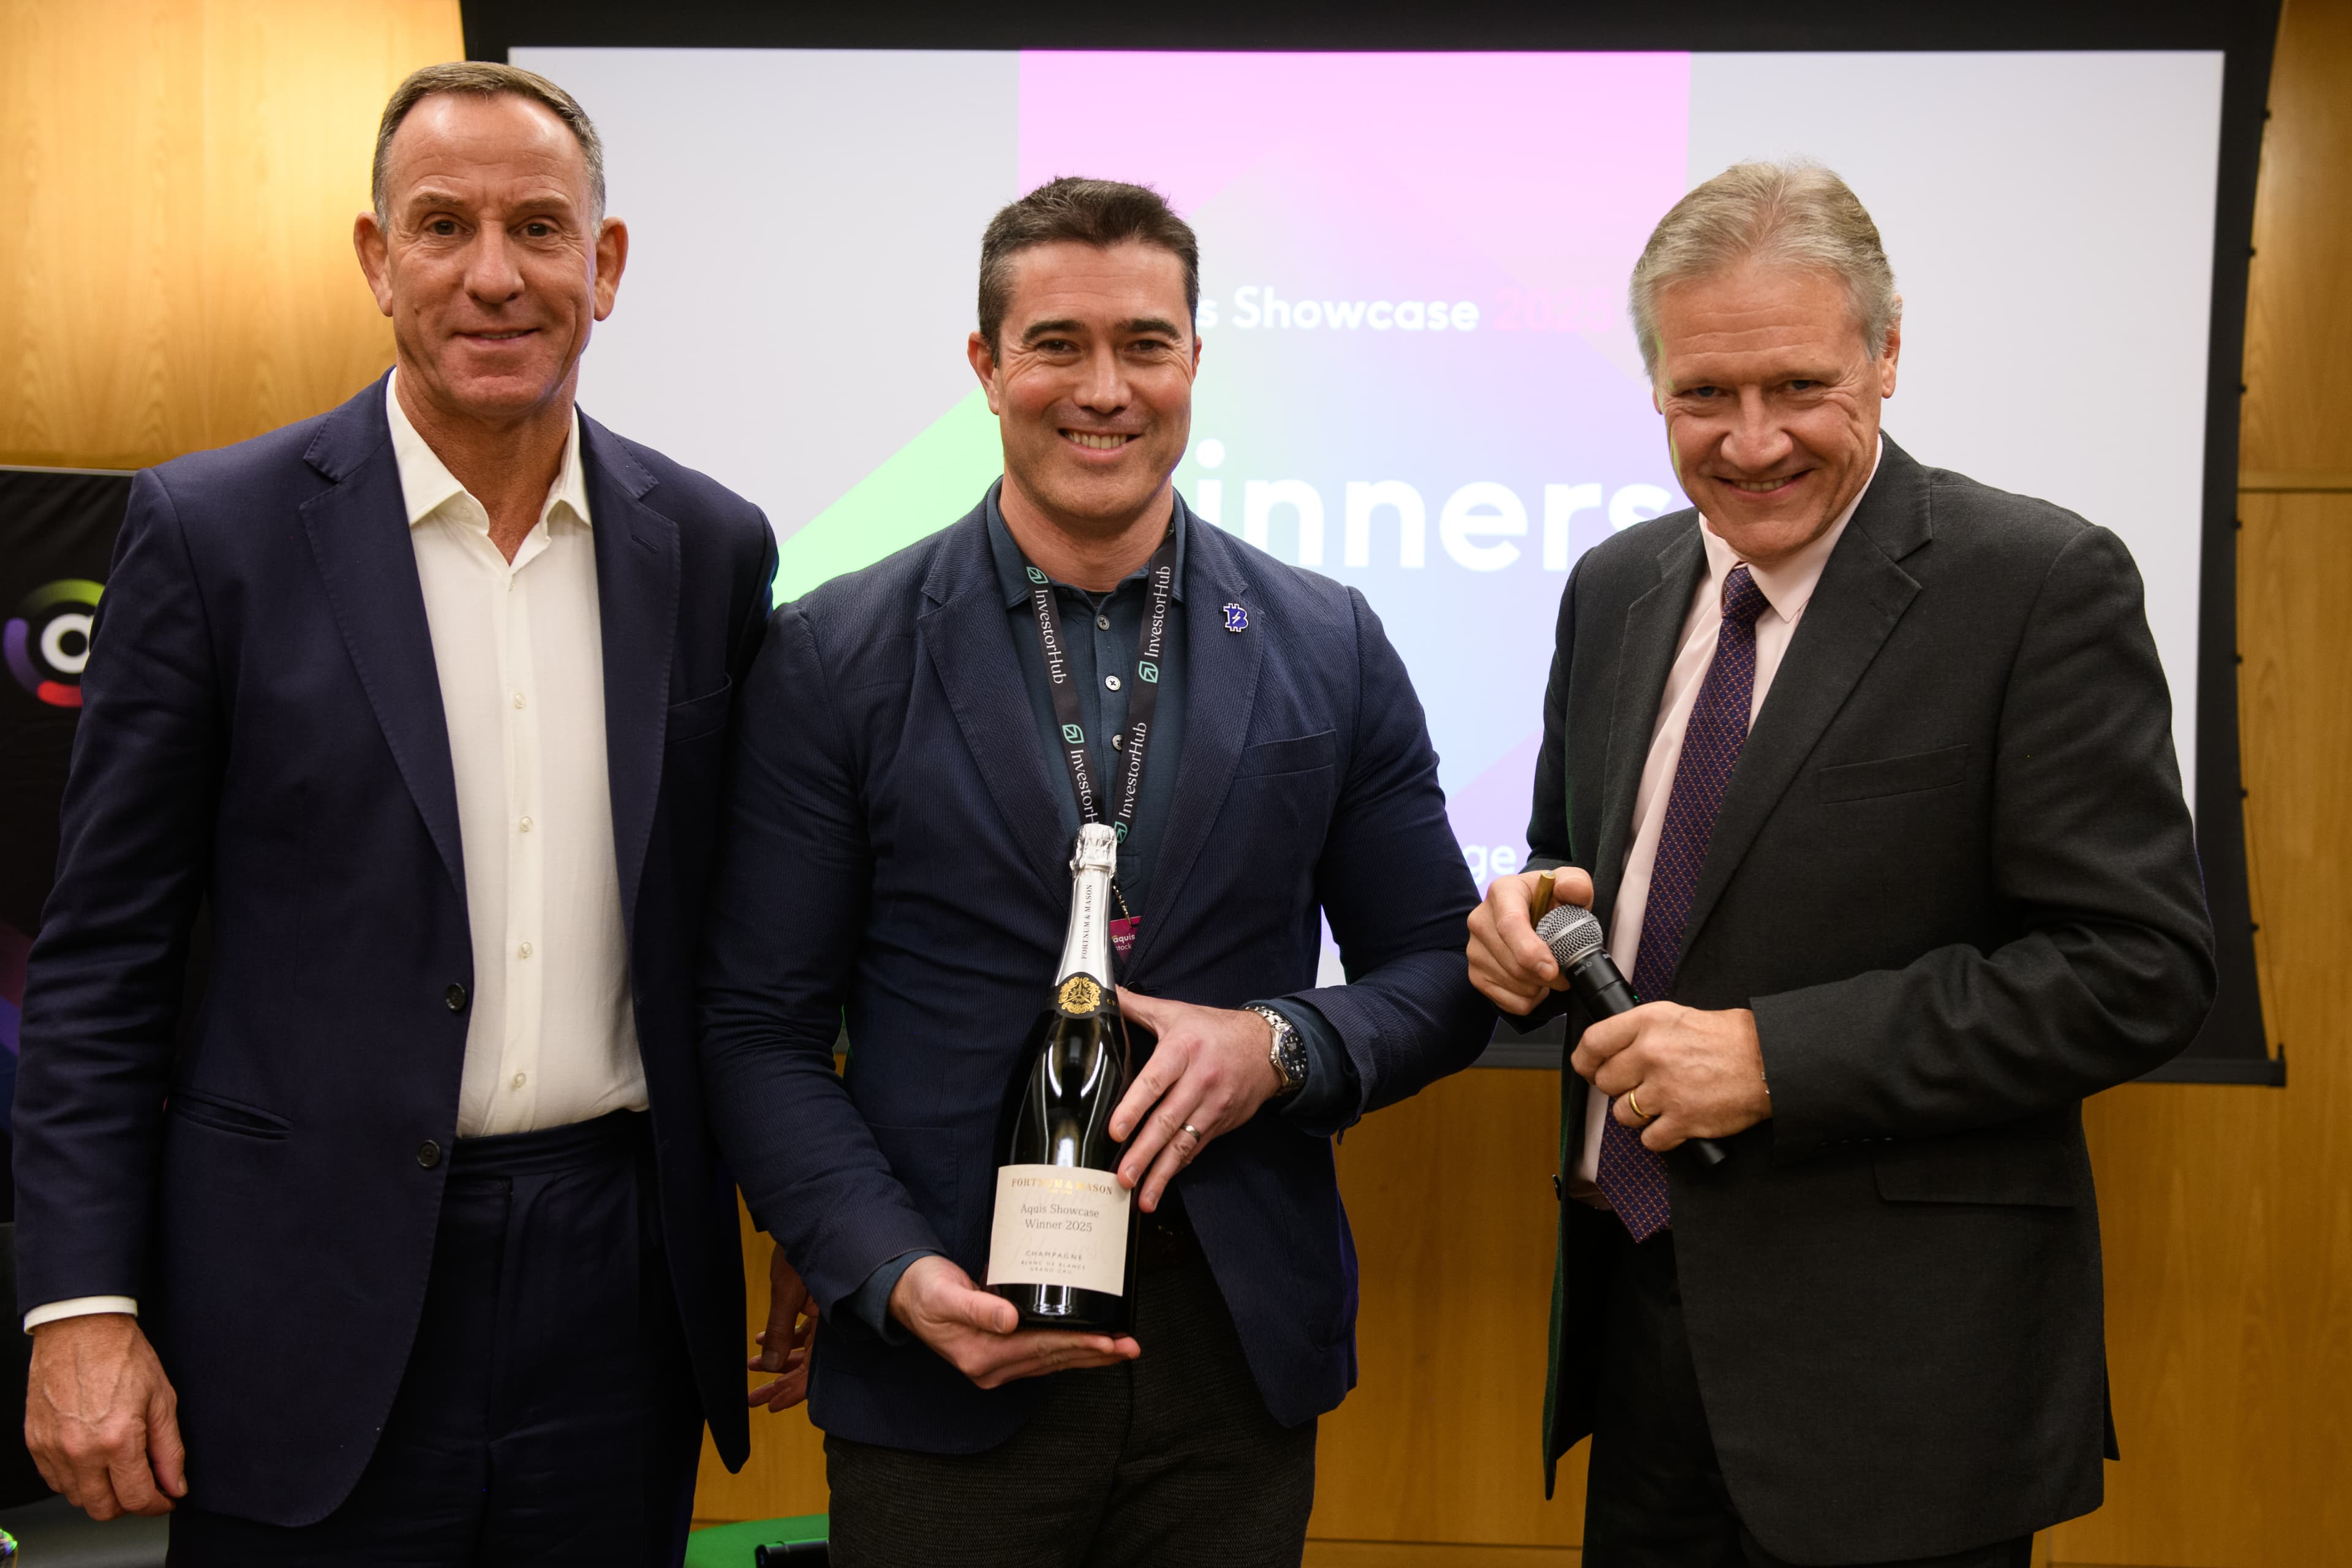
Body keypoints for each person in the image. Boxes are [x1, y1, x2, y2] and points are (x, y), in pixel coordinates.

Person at [12, 62, 776, 1563]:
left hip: (618, 1293)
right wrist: (81, 1303)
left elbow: (743, 933)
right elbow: (102, 959)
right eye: (442, 226)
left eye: (539, 227)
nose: (494, 275)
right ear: (377, 258)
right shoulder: (213, 535)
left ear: (605, 265)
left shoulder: (709, 546)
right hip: (295, 1293)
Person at [698, 176, 1494, 1567]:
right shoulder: (832, 655)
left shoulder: (1331, 642)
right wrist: (885, 1270)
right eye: (1057, 344)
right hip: (948, 1352)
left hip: (1233, 1358)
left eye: (1145, 344)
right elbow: (758, 1027)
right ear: (986, 364)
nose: (1105, 390)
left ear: (1195, 360)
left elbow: (1439, 968)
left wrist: (1282, 1046)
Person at [1465, 162, 2215, 1568]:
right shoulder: (1617, 586)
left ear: (1886, 354)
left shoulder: (2038, 582)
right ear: (1655, 384)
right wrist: (1532, 914)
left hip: (1899, 1386)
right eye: (1705, 393)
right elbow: (1583, 859)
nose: (1751, 441)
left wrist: (1776, 1057)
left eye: (1799, 386)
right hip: (1642, 1336)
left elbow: (2139, 966)